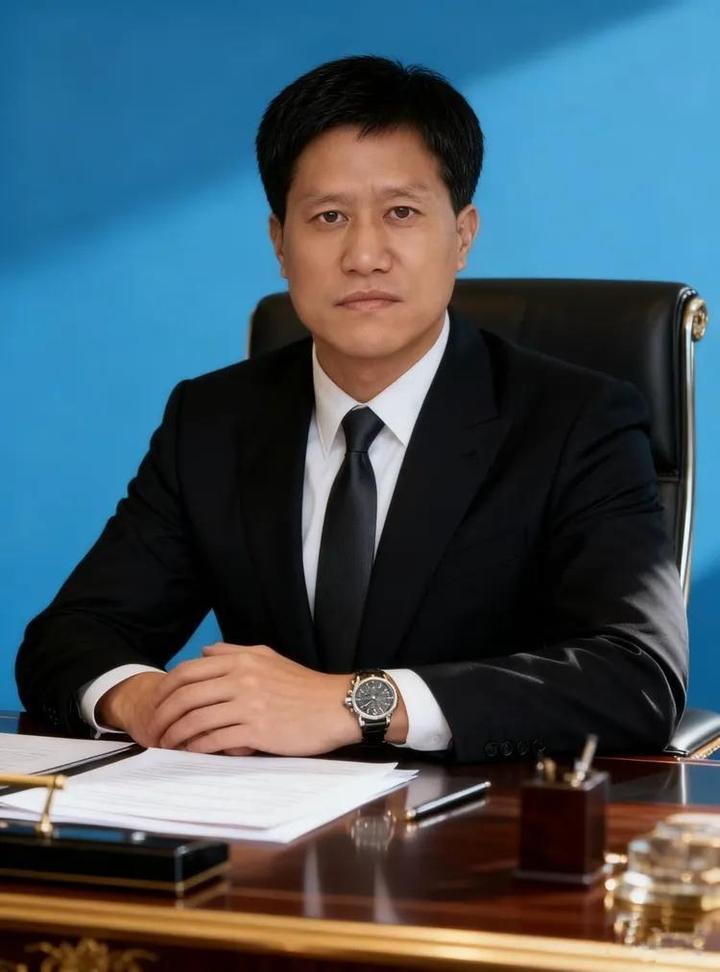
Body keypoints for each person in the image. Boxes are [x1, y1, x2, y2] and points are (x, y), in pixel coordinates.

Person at [16, 55, 687, 763]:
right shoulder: (212, 421)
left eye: (401, 212)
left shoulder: (578, 420)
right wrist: (146, 700)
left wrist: (357, 703)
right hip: (262, 817)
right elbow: (69, 637)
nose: (365, 255)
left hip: (484, 817)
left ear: (462, 236)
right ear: (280, 244)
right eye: (329, 216)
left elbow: (637, 675)